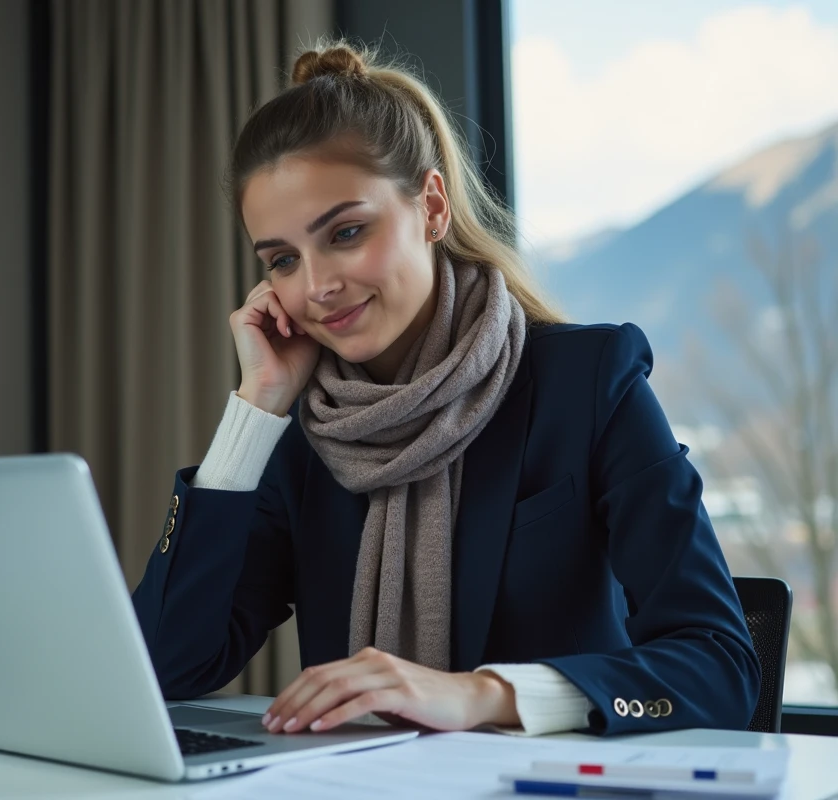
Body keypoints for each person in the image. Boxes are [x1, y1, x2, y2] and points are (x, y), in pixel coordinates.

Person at [130, 40, 759, 737]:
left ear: (431, 208)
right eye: (282, 260)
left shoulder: (587, 382)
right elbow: (161, 666)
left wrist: (481, 695)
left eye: (345, 232)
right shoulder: (310, 429)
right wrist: (255, 409)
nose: (316, 286)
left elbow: (721, 666)